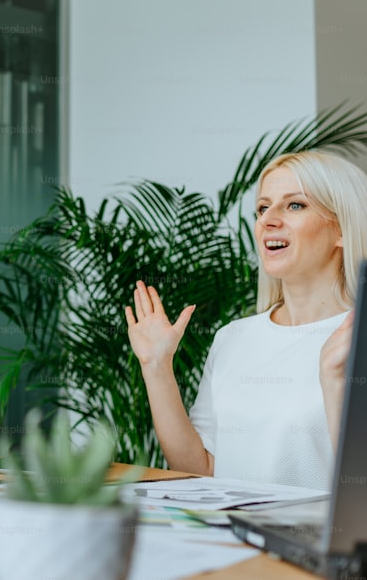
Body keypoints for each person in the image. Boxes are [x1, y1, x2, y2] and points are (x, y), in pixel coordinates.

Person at [125, 150, 367, 490]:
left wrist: (336, 382)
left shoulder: (357, 336)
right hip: (232, 539)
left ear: (342, 229)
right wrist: (156, 366)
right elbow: (201, 469)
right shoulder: (232, 337)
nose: (268, 220)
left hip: (312, 542)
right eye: (263, 207)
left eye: (294, 205)